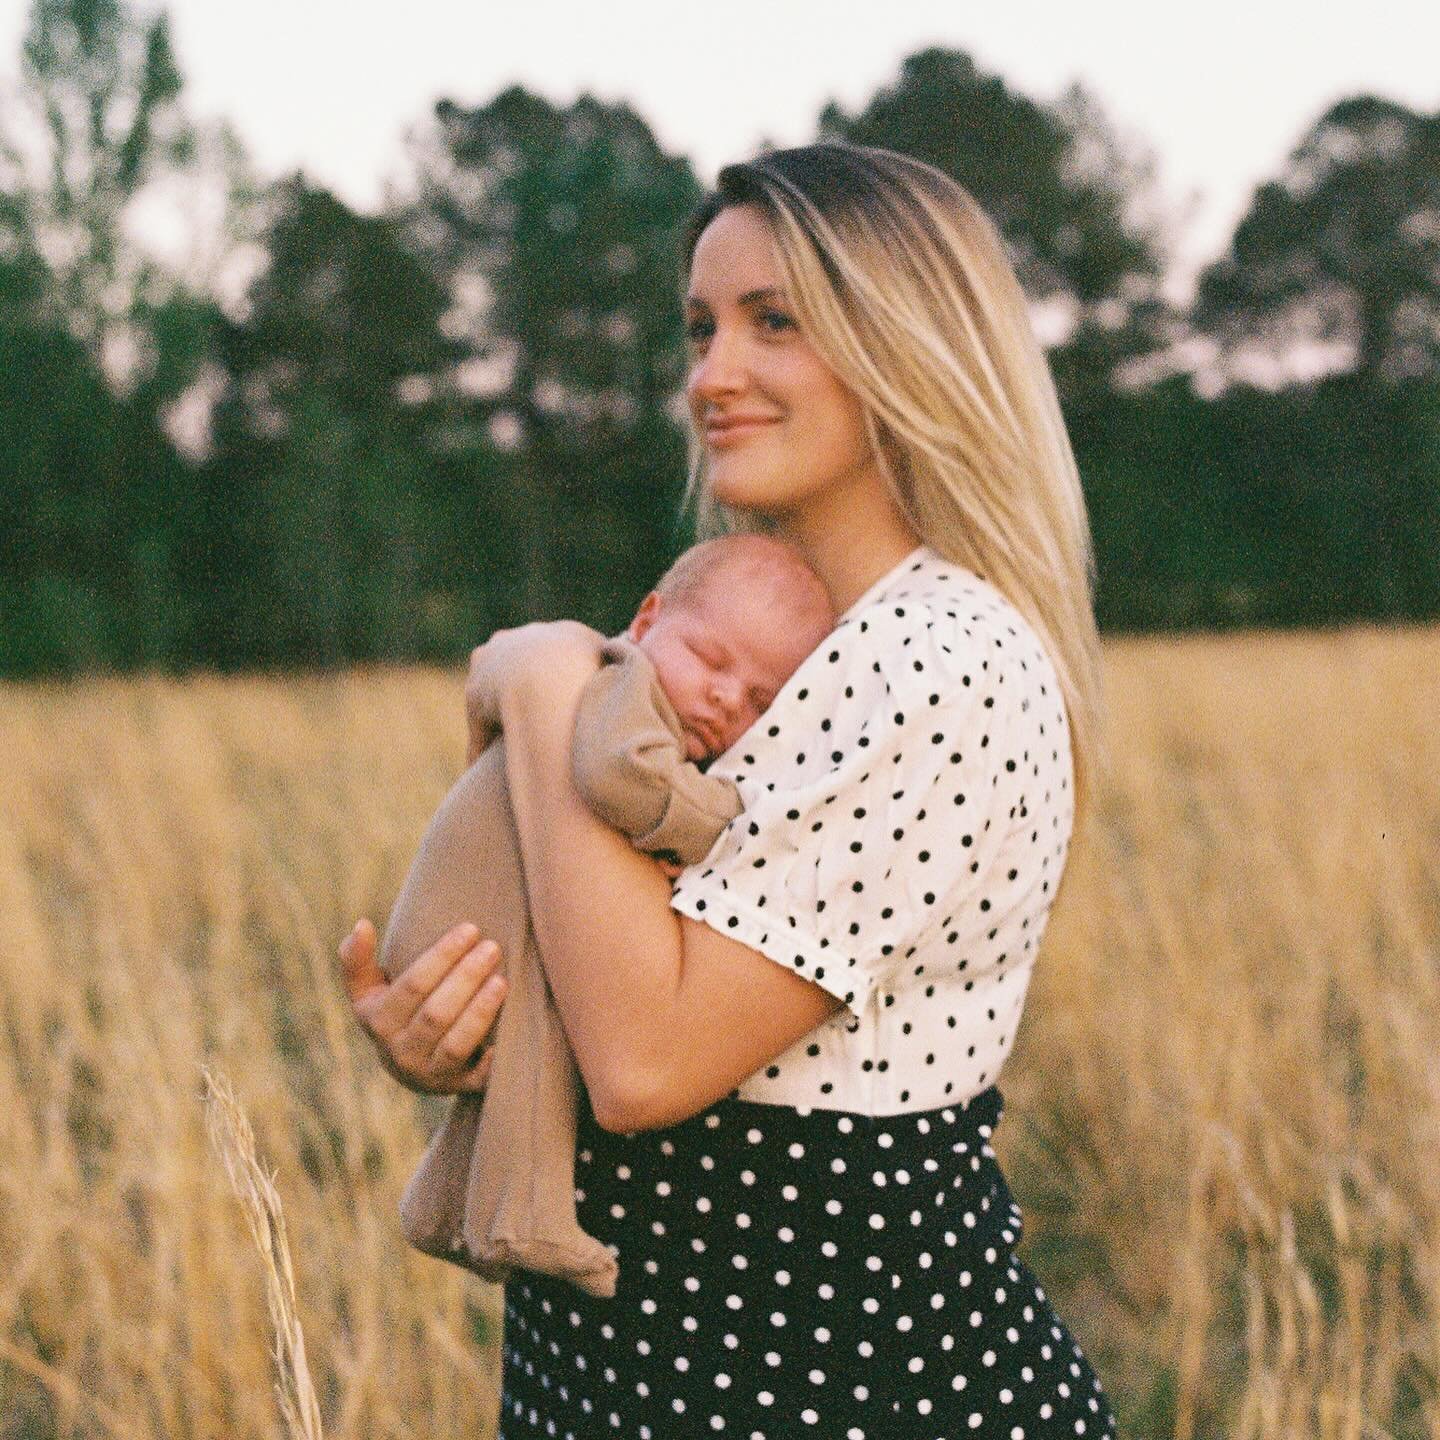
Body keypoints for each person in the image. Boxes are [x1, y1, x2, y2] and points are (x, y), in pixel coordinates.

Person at [340, 141, 1117, 1438]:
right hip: (633, 1376)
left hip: (847, 1387)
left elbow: (645, 1061)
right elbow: (605, 976)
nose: (714, 374)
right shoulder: (763, 647)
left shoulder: (939, 658)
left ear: (909, 341)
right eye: (700, 327)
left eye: (776, 322)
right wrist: (457, 1037)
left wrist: (542, 684)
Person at [377, 533, 834, 1299]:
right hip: (466, 930)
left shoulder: (596, 681)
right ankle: (525, 1216)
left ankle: (439, 1202)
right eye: (712, 660)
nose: (727, 699)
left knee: (546, 1027)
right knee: (556, 1026)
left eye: (762, 700)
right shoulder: (620, 685)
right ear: (648, 620)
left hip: (467, 923)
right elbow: (619, 778)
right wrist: (719, 823)